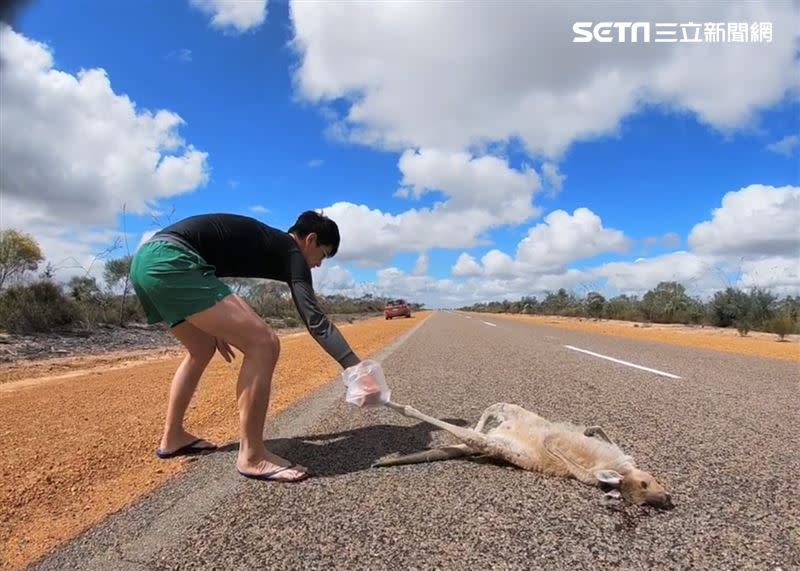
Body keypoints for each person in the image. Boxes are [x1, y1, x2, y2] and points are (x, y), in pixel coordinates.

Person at [129, 211, 362, 482]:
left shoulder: (271, 243)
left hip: (145, 261)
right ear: (310, 240)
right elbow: (316, 321)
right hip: (171, 260)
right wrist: (357, 368)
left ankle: (173, 436)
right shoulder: (292, 252)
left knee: (201, 347)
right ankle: (252, 456)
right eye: (323, 254)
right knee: (265, 343)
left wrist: (214, 325)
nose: (319, 264)